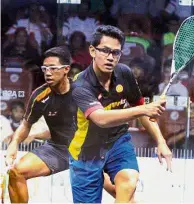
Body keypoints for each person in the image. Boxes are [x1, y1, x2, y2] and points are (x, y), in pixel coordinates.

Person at [69, 25, 172, 203]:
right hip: (86, 151)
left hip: (117, 141)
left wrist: (161, 141)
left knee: (129, 181)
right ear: (92, 51)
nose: (110, 57)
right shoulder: (80, 85)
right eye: (105, 51)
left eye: (116, 53)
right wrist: (143, 109)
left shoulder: (124, 73)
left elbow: (141, 110)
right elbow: (100, 119)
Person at [5, 46, 115, 203]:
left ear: (66, 69)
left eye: (53, 68)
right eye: (44, 68)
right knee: (17, 172)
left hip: (88, 151)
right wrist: (14, 143)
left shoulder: (83, 92)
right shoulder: (40, 95)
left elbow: (103, 120)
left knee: (120, 192)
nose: (47, 72)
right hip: (57, 149)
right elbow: (26, 124)